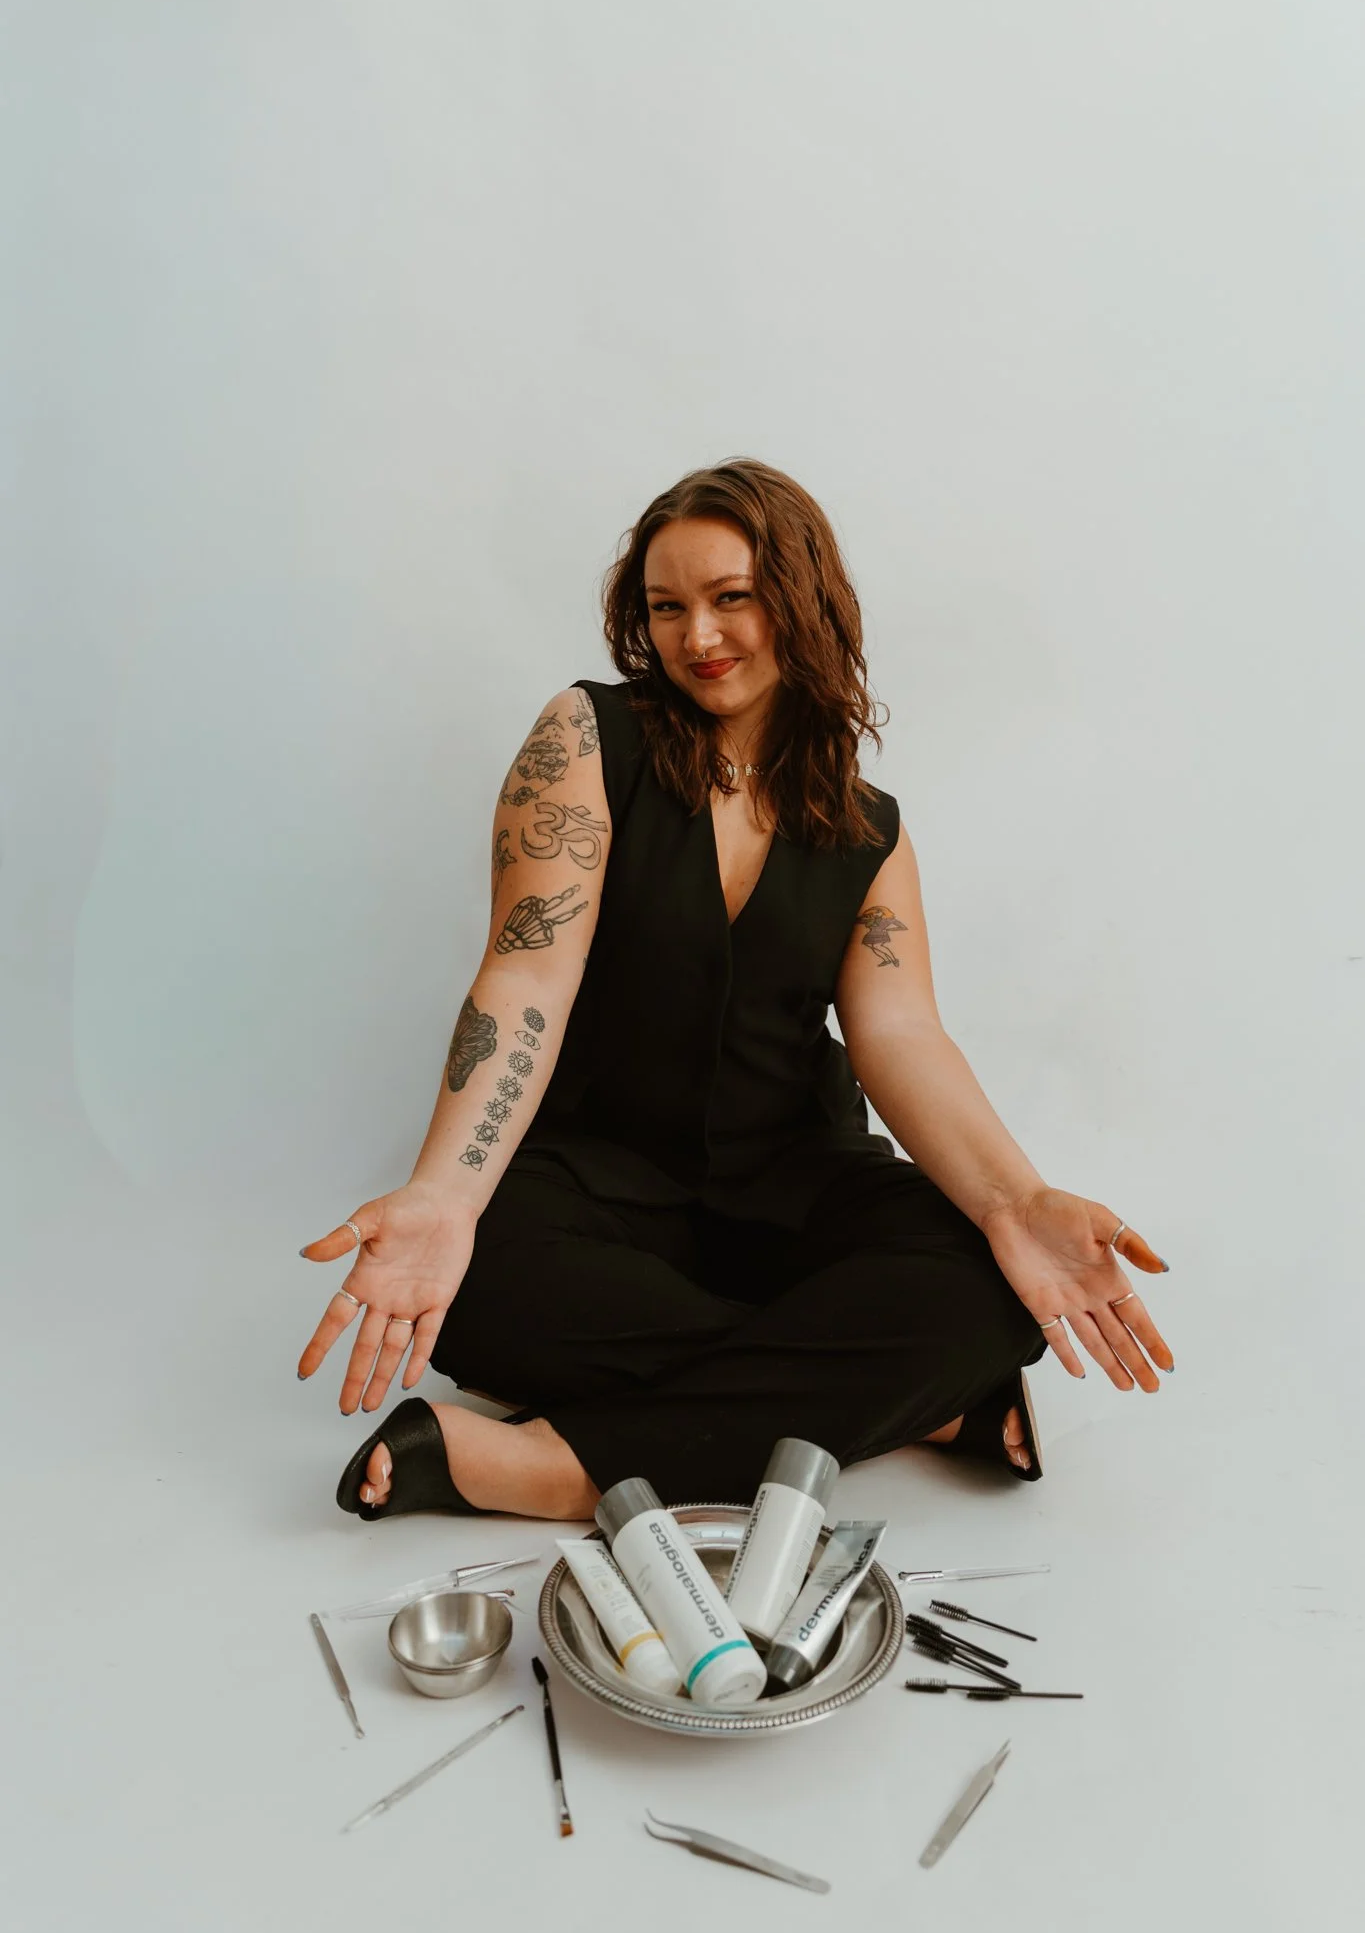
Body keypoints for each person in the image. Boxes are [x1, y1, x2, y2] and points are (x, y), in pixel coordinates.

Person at [296, 458, 1174, 1522]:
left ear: (801, 601)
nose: (697, 638)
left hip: (794, 1181)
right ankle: (917, 1404)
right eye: (667, 608)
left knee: (992, 1283)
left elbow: (902, 1031)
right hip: (594, 1180)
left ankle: (551, 1468)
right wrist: (441, 1195)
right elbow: (527, 969)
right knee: (479, 1291)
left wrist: (1017, 1201)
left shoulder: (868, 824)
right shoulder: (587, 737)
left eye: (731, 598)